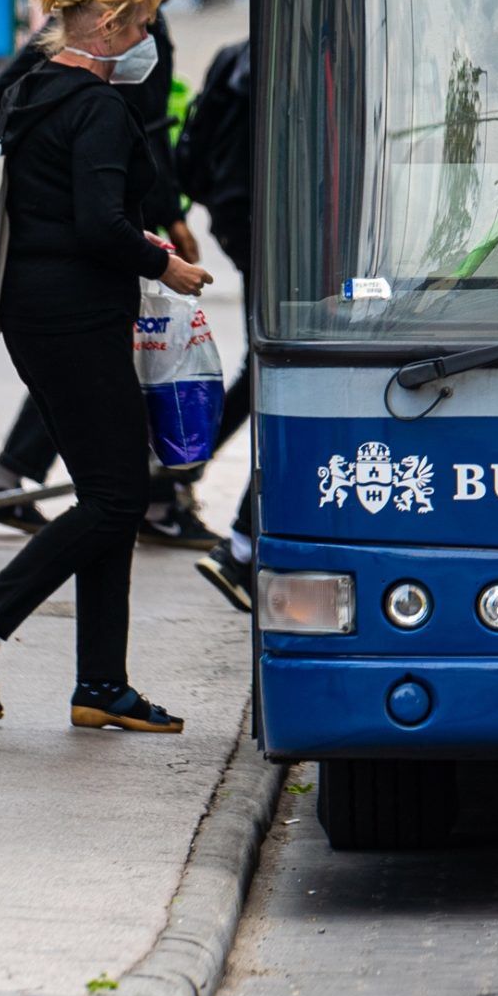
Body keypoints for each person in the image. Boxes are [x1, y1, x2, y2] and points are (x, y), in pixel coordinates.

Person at [0, 0, 208, 734]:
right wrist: (166, 263)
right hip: (79, 314)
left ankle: (101, 683)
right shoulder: (96, 109)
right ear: (112, 25)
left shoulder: (30, 92)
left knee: (104, 496)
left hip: (32, 312)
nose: (151, 37)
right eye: (144, 23)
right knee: (119, 496)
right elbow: (101, 224)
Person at [0, 0, 220, 548]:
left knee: (100, 452)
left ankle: (30, 485)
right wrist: (165, 245)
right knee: (110, 488)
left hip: (37, 290)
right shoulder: (96, 78)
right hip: (84, 278)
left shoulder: (57, 78)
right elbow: (104, 212)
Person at [173, 37, 265, 611]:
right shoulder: (288, 50)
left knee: (263, 366)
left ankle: (186, 461)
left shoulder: (233, 51)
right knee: (279, 367)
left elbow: (197, 143)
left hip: (233, 211)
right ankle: (242, 541)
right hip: (265, 215)